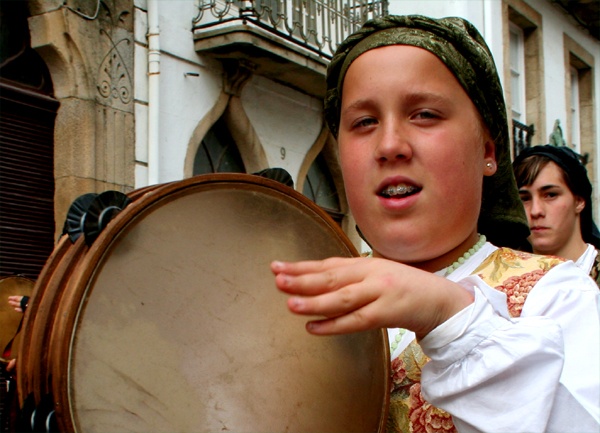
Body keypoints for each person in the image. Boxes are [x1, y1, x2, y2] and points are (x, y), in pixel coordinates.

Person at [270, 15, 600, 433]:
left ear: (487, 149)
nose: (390, 145)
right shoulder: (304, 303)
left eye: (424, 114)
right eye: (364, 122)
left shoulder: (558, 297)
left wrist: (451, 319)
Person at [513, 145, 600, 284]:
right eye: (524, 198)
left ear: (579, 201)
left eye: (550, 195)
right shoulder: (501, 283)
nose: (536, 211)